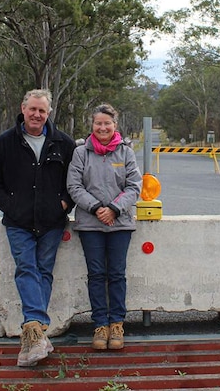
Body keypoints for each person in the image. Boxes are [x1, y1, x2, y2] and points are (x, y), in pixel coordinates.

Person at [0, 89, 75, 367]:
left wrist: (63, 204)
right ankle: (36, 331)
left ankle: (35, 334)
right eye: (32, 109)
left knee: (44, 271)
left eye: (42, 111)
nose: (36, 115)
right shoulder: (4, 143)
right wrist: (11, 206)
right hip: (18, 222)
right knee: (26, 269)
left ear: (48, 114)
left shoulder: (63, 144)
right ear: (23, 109)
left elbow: (75, 180)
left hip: (52, 223)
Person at [67, 103, 142, 350]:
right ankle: (100, 324)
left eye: (107, 123)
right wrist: (97, 207)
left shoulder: (126, 152)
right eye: (98, 123)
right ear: (92, 125)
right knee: (96, 275)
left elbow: (134, 187)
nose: (102, 127)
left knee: (117, 274)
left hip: (119, 224)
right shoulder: (81, 153)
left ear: (115, 125)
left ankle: (117, 323)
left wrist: (114, 209)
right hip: (90, 224)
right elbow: (74, 186)